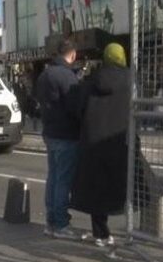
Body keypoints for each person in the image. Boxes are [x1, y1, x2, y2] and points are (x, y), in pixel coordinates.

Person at [71, 43, 131, 247]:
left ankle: (100, 233)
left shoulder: (92, 79)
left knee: (97, 187)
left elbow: (78, 108)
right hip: (120, 139)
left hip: (93, 141)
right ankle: (132, 231)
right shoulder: (130, 80)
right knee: (125, 183)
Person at [36, 38, 83, 240]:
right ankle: (61, 224)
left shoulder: (45, 74)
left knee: (53, 177)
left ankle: (50, 222)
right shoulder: (68, 76)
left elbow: (36, 99)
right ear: (72, 55)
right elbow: (76, 106)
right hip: (66, 133)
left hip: (50, 132)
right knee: (63, 180)